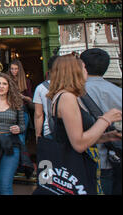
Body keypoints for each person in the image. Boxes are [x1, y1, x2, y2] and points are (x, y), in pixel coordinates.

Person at [46, 54, 122, 195]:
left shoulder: (65, 96)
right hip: (76, 168)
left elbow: (74, 136)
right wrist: (106, 119)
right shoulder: (67, 97)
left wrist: (105, 137)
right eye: (84, 67)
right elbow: (79, 144)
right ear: (73, 71)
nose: (86, 71)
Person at [80, 48, 122, 195]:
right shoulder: (118, 92)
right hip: (115, 158)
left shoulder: (74, 94)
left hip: (86, 159)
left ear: (83, 66)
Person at [33, 55, 58, 141]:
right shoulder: (71, 86)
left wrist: (38, 135)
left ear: (49, 70)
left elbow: (38, 115)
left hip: (49, 130)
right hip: (70, 130)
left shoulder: (40, 88)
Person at [8, 59, 33, 144]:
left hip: (23, 110)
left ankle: (22, 155)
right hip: (10, 110)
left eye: (16, 69)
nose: (13, 71)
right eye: (12, 68)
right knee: (9, 135)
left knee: (22, 136)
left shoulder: (26, 81)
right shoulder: (7, 80)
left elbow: (30, 99)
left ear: (19, 70)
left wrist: (22, 96)